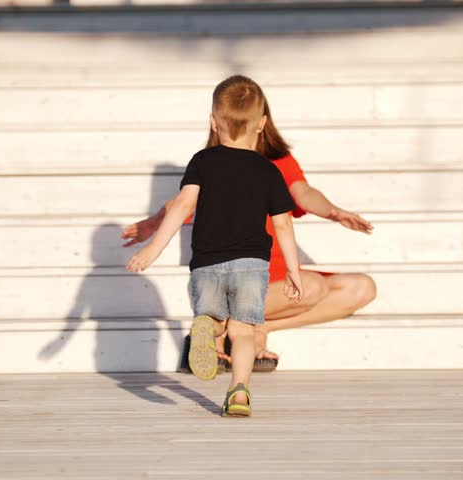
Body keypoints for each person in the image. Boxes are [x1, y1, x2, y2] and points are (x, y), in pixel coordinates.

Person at [123, 78, 376, 371]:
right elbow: (182, 202)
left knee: (361, 288)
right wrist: (153, 224)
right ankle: (219, 338)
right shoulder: (216, 164)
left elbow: (302, 192)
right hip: (238, 275)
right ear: (262, 120)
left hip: (273, 278)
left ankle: (256, 329)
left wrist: (332, 211)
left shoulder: (274, 162)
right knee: (314, 287)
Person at [126, 75, 303, 417]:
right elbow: (283, 223)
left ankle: (208, 327)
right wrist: (293, 271)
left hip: (207, 262)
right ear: (263, 124)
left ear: (213, 121)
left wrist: (153, 249)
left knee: (213, 318)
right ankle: (239, 392)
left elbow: (181, 206)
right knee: (244, 331)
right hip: (251, 265)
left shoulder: (202, 162)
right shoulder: (269, 170)